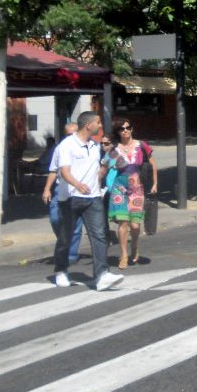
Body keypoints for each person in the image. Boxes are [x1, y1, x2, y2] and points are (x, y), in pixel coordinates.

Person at [52, 111, 123, 291]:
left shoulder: (94, 145)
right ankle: (60, 270)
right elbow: (64, 172)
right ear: (88, 125)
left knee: (99, 235)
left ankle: (101, 275)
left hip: (93, 198)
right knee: (65, 237)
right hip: (70, 198)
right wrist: (78, 184)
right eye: (98, 122)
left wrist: (104, 172)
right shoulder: (67, 145)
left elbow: (98, 168)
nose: (100, 126)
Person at [105, 117, 157, 269]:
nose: (125, 130)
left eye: (128, 127)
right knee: (123, 222)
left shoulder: (142, 146)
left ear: (132, 129)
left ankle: (134, 246)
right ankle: (124, 255)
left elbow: (153, 165)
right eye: (122, 129)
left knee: (135, 225)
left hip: (136, 188)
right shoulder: (114, 149)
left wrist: (155, 184)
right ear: (118, 132)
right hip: (119, 188)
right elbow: (104, 168)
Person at [42, 122, 83, 265]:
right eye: (68, 134)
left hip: (78, 189)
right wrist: (47, 189)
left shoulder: (85, 147)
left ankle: (71, 254)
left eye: (74, 133)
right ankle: (64, 240)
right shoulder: (60, 148)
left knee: (76, 223)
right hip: (61, 188)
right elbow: (53, 170)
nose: (71, 136)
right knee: (55, 218)